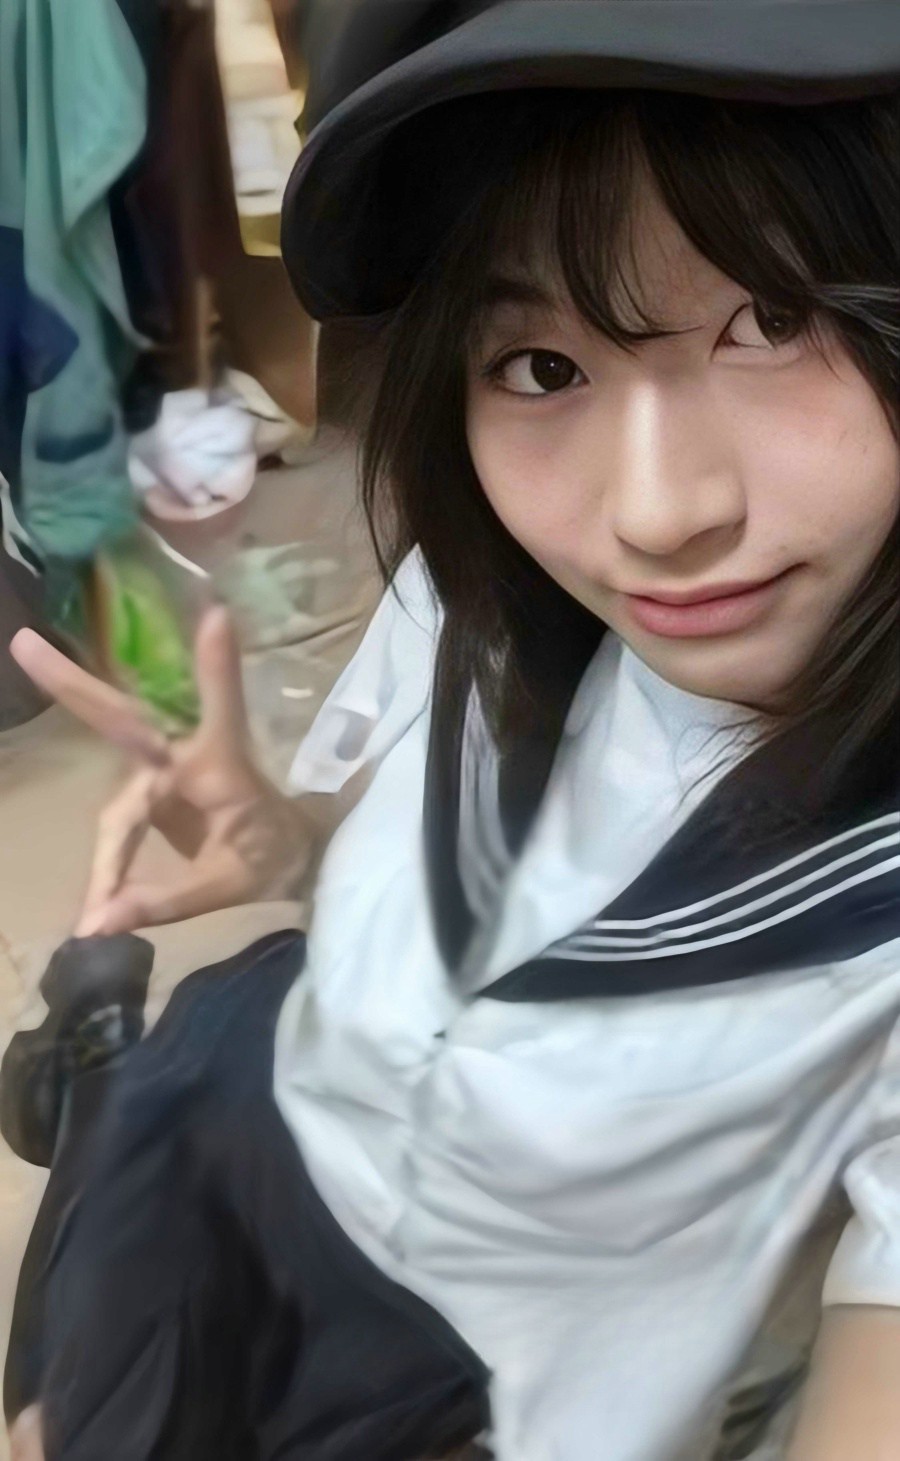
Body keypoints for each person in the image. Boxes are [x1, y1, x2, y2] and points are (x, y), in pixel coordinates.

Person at [5, 2, 900, 1457]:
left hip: (451, 1371)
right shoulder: (487, 578)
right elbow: (408, 850)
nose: (656, 515)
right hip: (246, 1085)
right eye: (542, 366)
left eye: (777, 320)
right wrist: (282, 839)